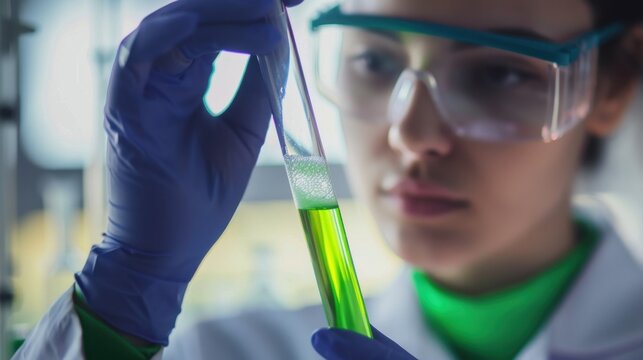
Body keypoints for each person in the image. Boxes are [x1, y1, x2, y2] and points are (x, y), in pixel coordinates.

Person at [12, 0, 643, 359]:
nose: (412, 132)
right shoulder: (234, 351)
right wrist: (126, 289)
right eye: (373, 60)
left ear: (611, 84)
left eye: (499, 75)